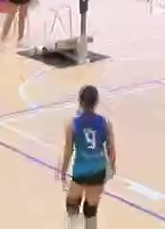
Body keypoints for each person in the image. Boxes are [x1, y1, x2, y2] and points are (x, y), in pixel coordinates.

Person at [60, 85, 114, 229]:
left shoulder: (72, 124)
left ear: (80, 101)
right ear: (96, 102)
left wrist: (63, 173)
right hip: (98, 169)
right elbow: (111, 150)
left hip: (81, 170)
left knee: (72, 204)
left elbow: (68, 151)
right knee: (91, 211)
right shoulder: (106, 123)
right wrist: (111, 169)